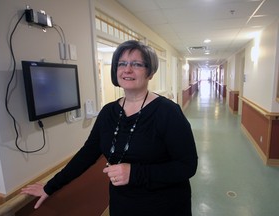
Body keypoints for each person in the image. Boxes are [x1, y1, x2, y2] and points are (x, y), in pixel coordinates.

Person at [21, 40, 198, 216]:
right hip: (123, 204)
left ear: (150, 72)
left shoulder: (168, 112)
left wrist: (134, 173)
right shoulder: (108, 112)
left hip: (165, 206)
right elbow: (87, 154)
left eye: (136, 64)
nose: (127, 69)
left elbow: (187, 166)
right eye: (122, 64)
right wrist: (50, 186)